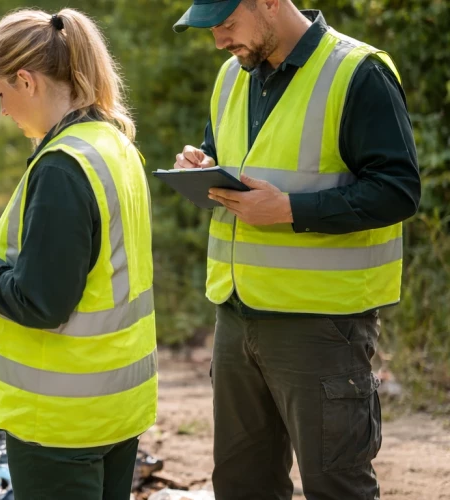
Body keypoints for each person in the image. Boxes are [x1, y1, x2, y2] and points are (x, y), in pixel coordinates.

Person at [172, 0, 421, 498]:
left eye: (226, 24)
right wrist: (201, 166)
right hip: (236, 316)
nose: (219, 41)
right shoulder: (232, 74)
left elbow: (398, 190)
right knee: (242, 485)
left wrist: (290, 209)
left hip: (322, 325)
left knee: (336, 487)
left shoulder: (358, 72)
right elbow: (236, 159)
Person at [0, 9, 157, 500]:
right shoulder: (113, 143)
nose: (3, 110)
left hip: (59, 420)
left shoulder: (60, 167)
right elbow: (96, 254)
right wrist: (0, 238)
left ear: (26, 81)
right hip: (116, 406)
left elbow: (40, 302)